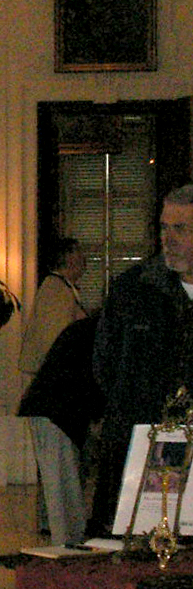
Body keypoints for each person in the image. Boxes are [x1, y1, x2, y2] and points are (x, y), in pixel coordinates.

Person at [91, 185, 193, 533]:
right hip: (138, 444)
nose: (169, 238)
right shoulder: (133, 290)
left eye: (181, 228)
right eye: (165, 227)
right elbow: (105, 363)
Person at [18, 238, 90, 546]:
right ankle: (64, 533)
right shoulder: (56, 292)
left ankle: (62, 527)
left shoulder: (61, 290)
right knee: (58, 465)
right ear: (68, 260)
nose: (85, 262)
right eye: (80, 256)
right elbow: (57, 344)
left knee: (60, 463)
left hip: (58, 397)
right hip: (54, 397)